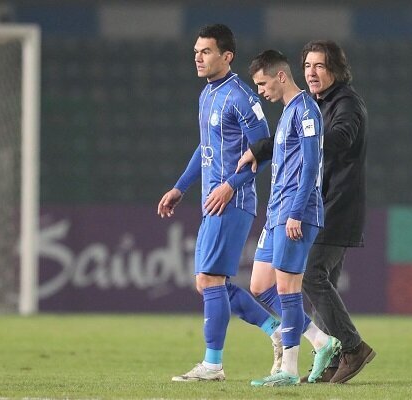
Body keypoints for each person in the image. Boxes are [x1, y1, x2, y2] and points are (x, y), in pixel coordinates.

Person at [237, 40, 375, 384]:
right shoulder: (309, 105)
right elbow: (291, 141)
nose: (312, 72)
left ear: (335, 70)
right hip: (317, 202)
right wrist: (262, 148)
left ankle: (351, 347)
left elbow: (339, 139)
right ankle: (328, 350)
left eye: (320, 66)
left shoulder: (346, 104)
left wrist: (308, 141)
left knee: (311, 276)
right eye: (308, 65)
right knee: (316, 281)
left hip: (335, 206)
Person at [157, 24, 282, 382]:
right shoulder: (207, 94)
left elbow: (264, 150)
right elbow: (206, 146)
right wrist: (181, 187)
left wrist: (231, 185)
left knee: (211, 280)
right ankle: (275, 330)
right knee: (207, 283)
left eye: (206, 51)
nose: (198, 57)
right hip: (212, 200)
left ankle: (213, 365)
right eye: (196, 51)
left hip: (233, 200)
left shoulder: (242, 97)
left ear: (227, 56)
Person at [245, 49, 341, 387]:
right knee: (260, 285)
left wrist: (297, 212)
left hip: (296, 212)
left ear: (281, 76)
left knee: (287, 287)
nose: (261, 91)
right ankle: (320, 340)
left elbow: (312, 164)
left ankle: (288, 368)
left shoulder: (306, 110)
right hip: (276, 212)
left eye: (263, 83)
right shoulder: (287, 112)